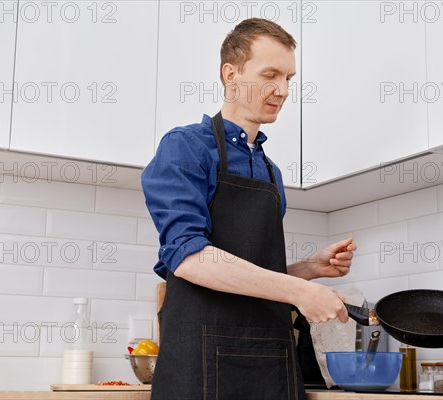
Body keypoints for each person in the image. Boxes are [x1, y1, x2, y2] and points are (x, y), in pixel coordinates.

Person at [141, 18, 357, 400]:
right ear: (231, 75)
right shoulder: (186, 147)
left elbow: (249, 273)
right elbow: (188, 257)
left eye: (289, 78)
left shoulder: (270, 171)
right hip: (202, 364)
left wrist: (308, 270)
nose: (283, 90)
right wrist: (298, 292)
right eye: (270, 74)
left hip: (272, 362)